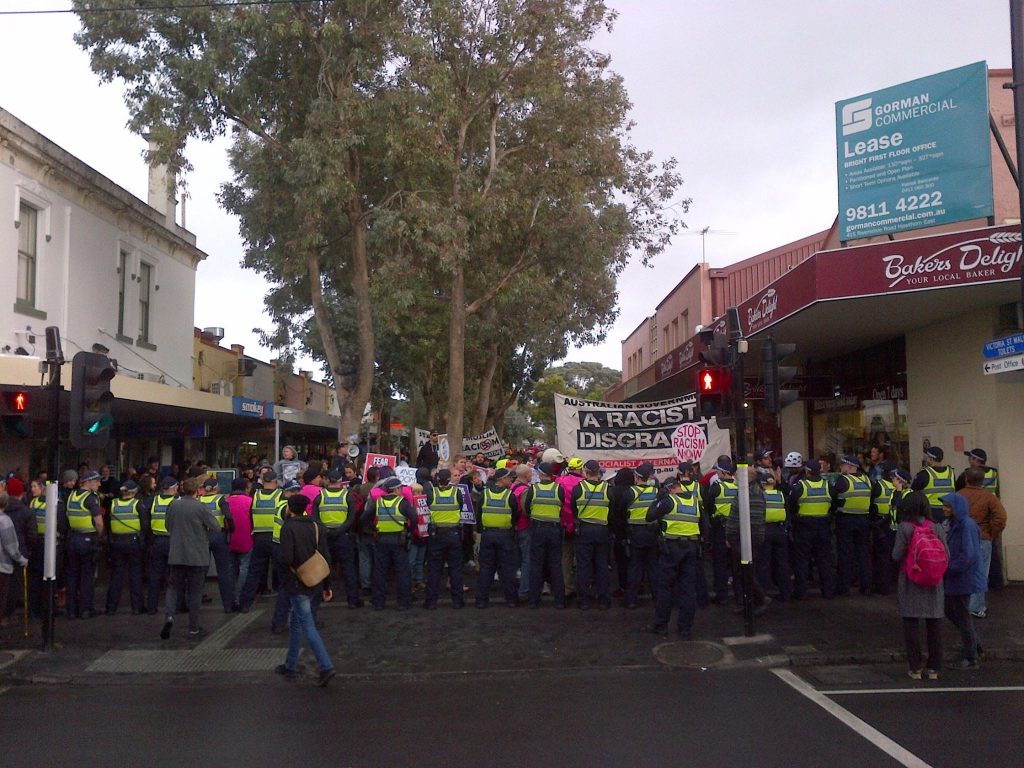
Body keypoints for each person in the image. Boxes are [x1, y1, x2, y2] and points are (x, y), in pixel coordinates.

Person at [275, 494, 336, 686]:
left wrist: (283, 579)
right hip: (314, 579)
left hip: (296, 581)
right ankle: (291, 663)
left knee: (307, 624)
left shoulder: (288, 528)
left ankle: (326, 665)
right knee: (296, 622)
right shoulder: (317, 527)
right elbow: (324, 556)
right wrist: (327, 584)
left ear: (289, 509)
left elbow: (286, 558)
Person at [891, 491, 948, 680]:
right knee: (935, 624)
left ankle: (915, 668)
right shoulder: (937, 527)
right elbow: (946, 554)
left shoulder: (905, 527)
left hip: (911, 580)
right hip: (933, 581)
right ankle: (934, 668)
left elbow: (896, 555)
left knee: (911, 624)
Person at [161, 477, 220, 640]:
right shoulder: (201, 507)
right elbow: (216, 526)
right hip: (197, 555)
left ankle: (169, 617)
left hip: (176, 554)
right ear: (197, 490)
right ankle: (193, 627)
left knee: (173, 588)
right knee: (195, 592)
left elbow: (167, 525)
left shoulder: (173, 505)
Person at [644, 477, 701, 638]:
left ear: (669, 488)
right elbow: (703, 524)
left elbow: (649, 516)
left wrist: (657, 498)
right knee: (688, 589)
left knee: (665, 588)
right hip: (691, 547)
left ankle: (661, 625)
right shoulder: (695, 501)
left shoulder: (669, 501)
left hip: (672, 548)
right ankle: (685, 628)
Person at [940, 492, 984, 669]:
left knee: (961, 615)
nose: (944, 508)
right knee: (954, 612)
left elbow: (968, 555)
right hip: (958, 577)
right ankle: (974, 646)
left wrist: (947, 568)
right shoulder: (954, 524)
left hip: (963, 577)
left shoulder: (966, 525)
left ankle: (971, 655)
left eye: (948, 506)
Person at [957, 467, 1006, 619]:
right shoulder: (989, 497)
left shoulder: (959, 496)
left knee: (963, 571)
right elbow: (1001, 517)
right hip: (982, 538)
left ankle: (963, 605)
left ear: (966, 479)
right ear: (982, 480)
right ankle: (976, 606)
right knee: (981, 573)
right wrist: (991, 533)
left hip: (963, 538)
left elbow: (951, 516)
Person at [312, 469, 361, 609]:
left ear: (328, 480)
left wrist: (325, 530)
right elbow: (351, 518)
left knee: (322, 569)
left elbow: (315, 518)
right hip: (343, 537)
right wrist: (341, 530)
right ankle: (353, 600)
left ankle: (320, 597)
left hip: (324, 538)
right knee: (348, 569)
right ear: (340, 481)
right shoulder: (347, 496)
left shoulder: (320, 496)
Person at [237, 471, 285, 613]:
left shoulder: (255, 495)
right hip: (276, 538)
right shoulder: (280, 495)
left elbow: (250, 515)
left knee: (254, 572)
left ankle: (245, 603)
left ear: (263, 482)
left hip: (259, 538)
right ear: (275, 482)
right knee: (283, 573)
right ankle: (283, 606)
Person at [367, 477, 416, 610]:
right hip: (399, 540)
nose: (401, 490)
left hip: (381, 540)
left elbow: (364, 517)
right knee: (402, 572)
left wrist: (373, 528)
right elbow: (414, 518)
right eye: (400, 488)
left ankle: (378, 603)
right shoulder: (403, 502)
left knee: (380, 572)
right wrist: (408, 530)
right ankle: (403, 603)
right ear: (395, 489)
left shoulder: (378, 503)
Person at [789, 460, 836, 600]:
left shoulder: (800, 486)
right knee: (824, 560)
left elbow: (792, 505)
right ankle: (828, 592)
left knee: (802, 560)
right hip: (823, 525)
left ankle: (801, 592)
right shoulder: (828, 486)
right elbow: (834, 504)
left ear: (807, 471)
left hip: (804, 526)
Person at [523, 462, 566, 609]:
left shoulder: (533, 489)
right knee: (555, 565)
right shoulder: (558, 489)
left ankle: (533, 601)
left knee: (536, 565)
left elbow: (527, 508)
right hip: (554, 530)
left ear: (541, 475)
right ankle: (560, 600)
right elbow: (561, 507)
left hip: (538, 529)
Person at [727, 466, 769, 615]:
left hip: (747, 540)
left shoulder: (754, 493)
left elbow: (754, 520)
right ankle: (747, 603)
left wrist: (742, 538)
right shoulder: (744, 492)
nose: (734, 478)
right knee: (740, 572)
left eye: (737, 476)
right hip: (738, 538)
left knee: (747, 571)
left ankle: (760, 600)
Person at [570, 460, 612, 610]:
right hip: (602, 530)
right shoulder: (608, 488)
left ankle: (584, 600)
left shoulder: (578, 488)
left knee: (583, 566)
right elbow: (612, 510)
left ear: (585, 472)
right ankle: (604, 600)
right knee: (602, 566)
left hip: (584, 530)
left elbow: (574, 509)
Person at [832, 455, 875, 596]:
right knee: (863, 554)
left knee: (845, 555)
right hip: (863, 520)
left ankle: (844, 587)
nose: (840, 467)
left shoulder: (843, 481)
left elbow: (833, 497)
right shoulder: (867, 480)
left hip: (846, 520)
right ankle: (866, 585)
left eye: (843, 465)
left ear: (850, 467)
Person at [475, 468, 519, 608]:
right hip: (505, 535)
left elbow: (479, 514)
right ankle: (511, 600)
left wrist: (482, 531)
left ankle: (482, 600)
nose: (511, 480)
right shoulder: (509, 495)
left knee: (486, 568)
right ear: (501, 479)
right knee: (507, 568)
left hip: (488, 535)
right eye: (509, 478)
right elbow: (515, 516)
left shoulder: (485, 494)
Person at [423, 469, 466, 609]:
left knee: (434, 569)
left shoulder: (431, 493)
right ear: (449, 479)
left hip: (437, 535)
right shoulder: (457, 492)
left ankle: (431, 602)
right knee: (455, 569)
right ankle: (458, 601)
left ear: (437, 479)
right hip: (453, 534)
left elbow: (428, 507)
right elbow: (461, 506)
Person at [105, 479, 148, 615]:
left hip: (117, 543)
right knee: (135, 575)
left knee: (116, 576)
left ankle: (111, 608)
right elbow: (145, 525)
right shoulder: (138, 504)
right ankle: (137, 607)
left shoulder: (113, 504)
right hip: (133, 542)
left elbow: (108, 524)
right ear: (134, 492)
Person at [65, 470, 104, 619]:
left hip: (73, 538)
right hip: (87, 539)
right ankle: (85, 609)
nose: (99, 484)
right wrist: (99, 536)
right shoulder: (90, 498)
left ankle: (71, 610)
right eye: (97, 481)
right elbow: (99, 522)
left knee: (72, 575)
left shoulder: (72, 496)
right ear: (88, 482)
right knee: (87, 576)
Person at [623, 463, 660, 609]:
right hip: (652, 533)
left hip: (636, 534)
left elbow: (622, 512)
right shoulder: (656, 491)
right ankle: (657, 597)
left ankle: (631, 599)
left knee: (635, 567)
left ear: (637, 477)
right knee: (653, 567)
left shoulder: (630, 492)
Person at [703, 457, 738, 605]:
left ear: (723, 473)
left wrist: (713, 516)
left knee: (720, 563)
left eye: (718, 471)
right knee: (736, 563)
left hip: (720, 528)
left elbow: (708, 504)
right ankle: (738, 595)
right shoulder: (739, 488)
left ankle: (721, 595)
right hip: (736, 528)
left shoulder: (717, 487)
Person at [199, 477, 236, 613]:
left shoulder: (199, 500)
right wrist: (231, 530)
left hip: (203, 536)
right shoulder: (220, 500)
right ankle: (228, 605)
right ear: (216, 488)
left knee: (201, 570)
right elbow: (229, 517)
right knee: (224, 571)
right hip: (219, 535)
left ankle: (196, 602)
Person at [758, 464, 792, 602]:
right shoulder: (781, 495)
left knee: (764, 562)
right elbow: (788, 512)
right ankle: (785, 592)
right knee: (782, 562)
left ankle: (764, 592)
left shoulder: (760, 496)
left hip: (765, 530)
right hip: (780, 530)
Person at [146, 476, 179, 615]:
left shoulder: (153, 500)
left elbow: (146, 519)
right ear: (173, 488)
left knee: (155, 575)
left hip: (157, 541)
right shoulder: (177, 501)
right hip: (173, 541)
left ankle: (151, 607)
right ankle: (173, 607)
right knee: (174, 575)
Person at [226, 478, 254, 609]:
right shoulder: (250, 501)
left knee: (231, 569)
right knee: (244, 569)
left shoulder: (226, 501)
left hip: (229, 539)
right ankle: (239, 597)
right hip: (246, 539)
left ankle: (230, 598)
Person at [911, 446, 955, 522]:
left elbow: (913, 493)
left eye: (927, 457)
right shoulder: (951, 473)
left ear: (931, 459)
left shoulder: (924, 474)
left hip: (930, 513)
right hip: (948, 512)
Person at [511, 464, 533, 604]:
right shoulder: (525, 490)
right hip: (525, 527)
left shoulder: (512, 488)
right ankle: (524, 591)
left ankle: (513, 591)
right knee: (526, 561)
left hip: (514, 528)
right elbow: (527, 510)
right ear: (526, 476)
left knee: (515, 561)